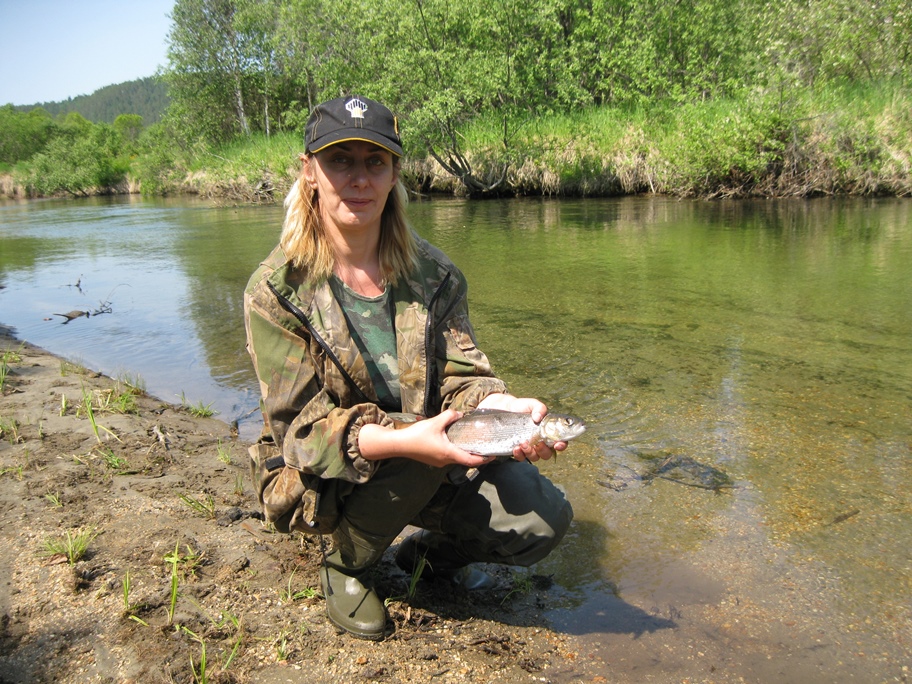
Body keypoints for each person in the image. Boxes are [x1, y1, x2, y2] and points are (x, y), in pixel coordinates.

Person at [244, 95, 573, 640]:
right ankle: (347, 565)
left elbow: (462, 379)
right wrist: (409, 441)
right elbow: (299, 436)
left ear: (396, 173)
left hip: (432, 454)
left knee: (541, 519)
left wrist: (499, 406)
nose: (359, 179)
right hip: (322, 477)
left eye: (375, 162)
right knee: (414, 452)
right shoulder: (276, 291)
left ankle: (430, 552)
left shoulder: (436, 275)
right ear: (309, 172)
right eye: (340, 160)